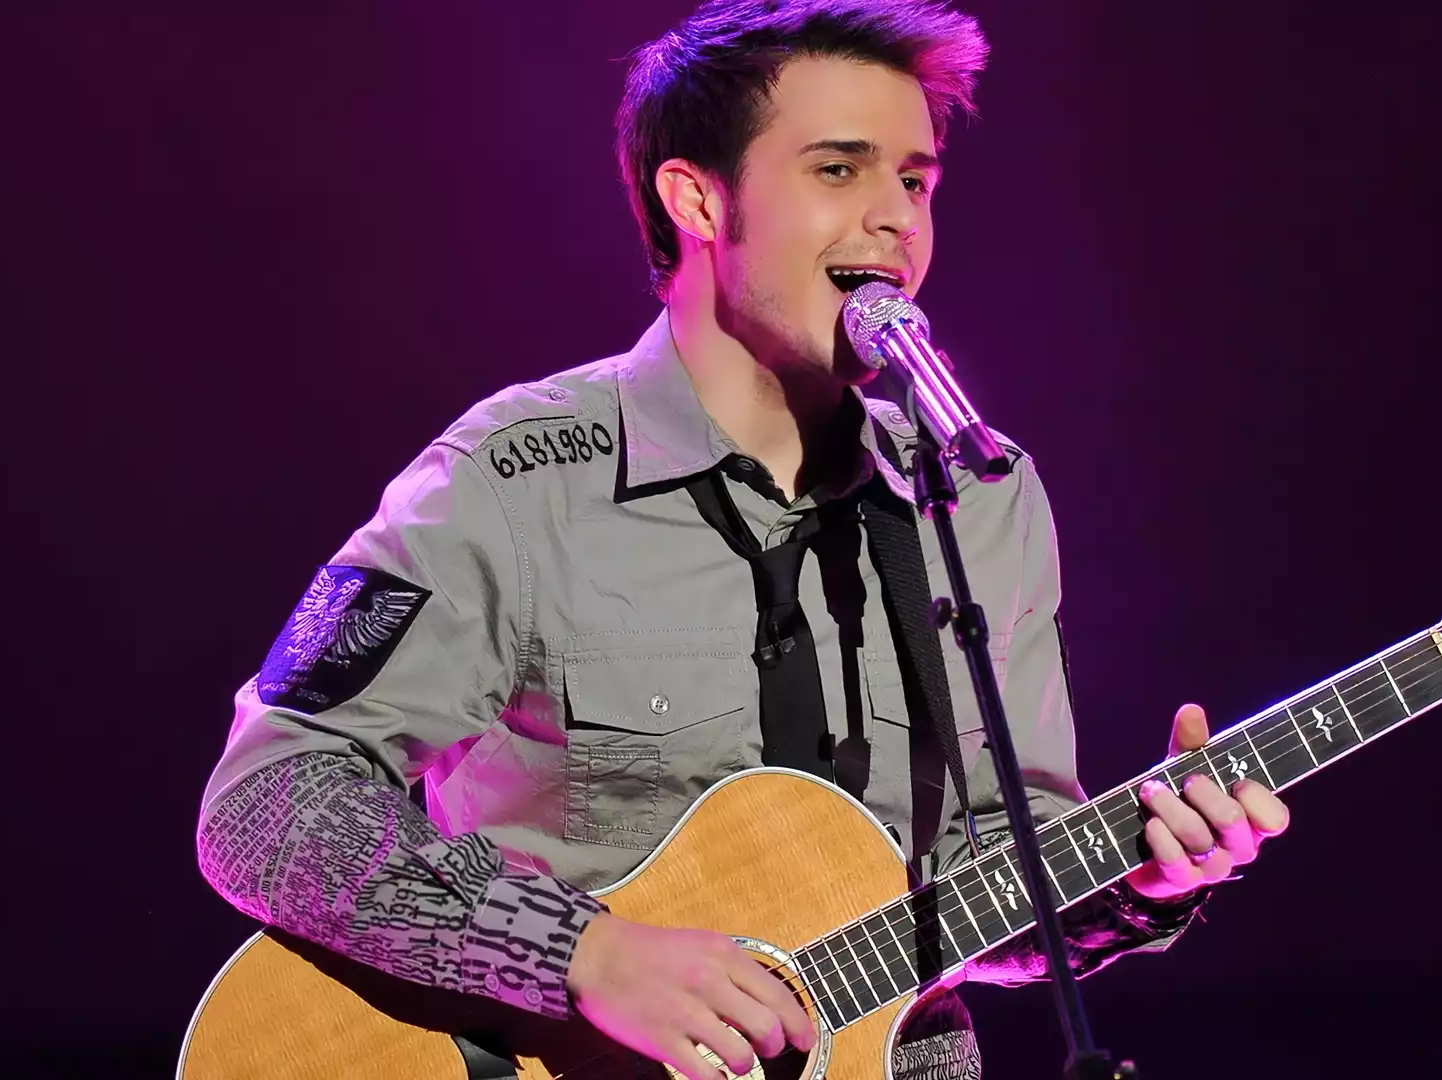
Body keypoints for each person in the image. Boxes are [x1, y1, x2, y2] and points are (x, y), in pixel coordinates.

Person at [195, 2, 1289, 1077]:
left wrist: (1144, 881)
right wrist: (578, 953)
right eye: (839, 170)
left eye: (915, 181)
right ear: (697, 199)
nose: (897, 219)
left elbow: (998, 892)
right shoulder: (514, 481)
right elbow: (267, 800)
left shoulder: (977, 495)